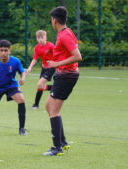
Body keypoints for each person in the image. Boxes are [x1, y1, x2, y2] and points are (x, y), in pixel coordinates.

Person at [43, 6, 82, 156]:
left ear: (55, 20)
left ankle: (57, 147)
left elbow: (77, 56)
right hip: (64, 75)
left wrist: (56, 64)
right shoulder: (66, 32)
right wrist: (52, 53)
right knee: (49, 106)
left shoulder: (64, 35)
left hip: (66, 75)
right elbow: (65, 52)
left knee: (53, 111)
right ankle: (63, 142)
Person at [26, 30, 55, 109]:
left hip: (51, 68)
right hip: (44, 68)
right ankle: (36, 104)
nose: (40, 39)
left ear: (46, 37)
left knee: (40, 84)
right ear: (37, 39)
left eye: (42, 37)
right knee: (40, 86)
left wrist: (55, 62)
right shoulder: (37, 48)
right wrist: (30, 67)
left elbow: (57, 54)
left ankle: (36, 105)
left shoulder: (51, 46)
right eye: (39, 38)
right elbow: (35, 59)